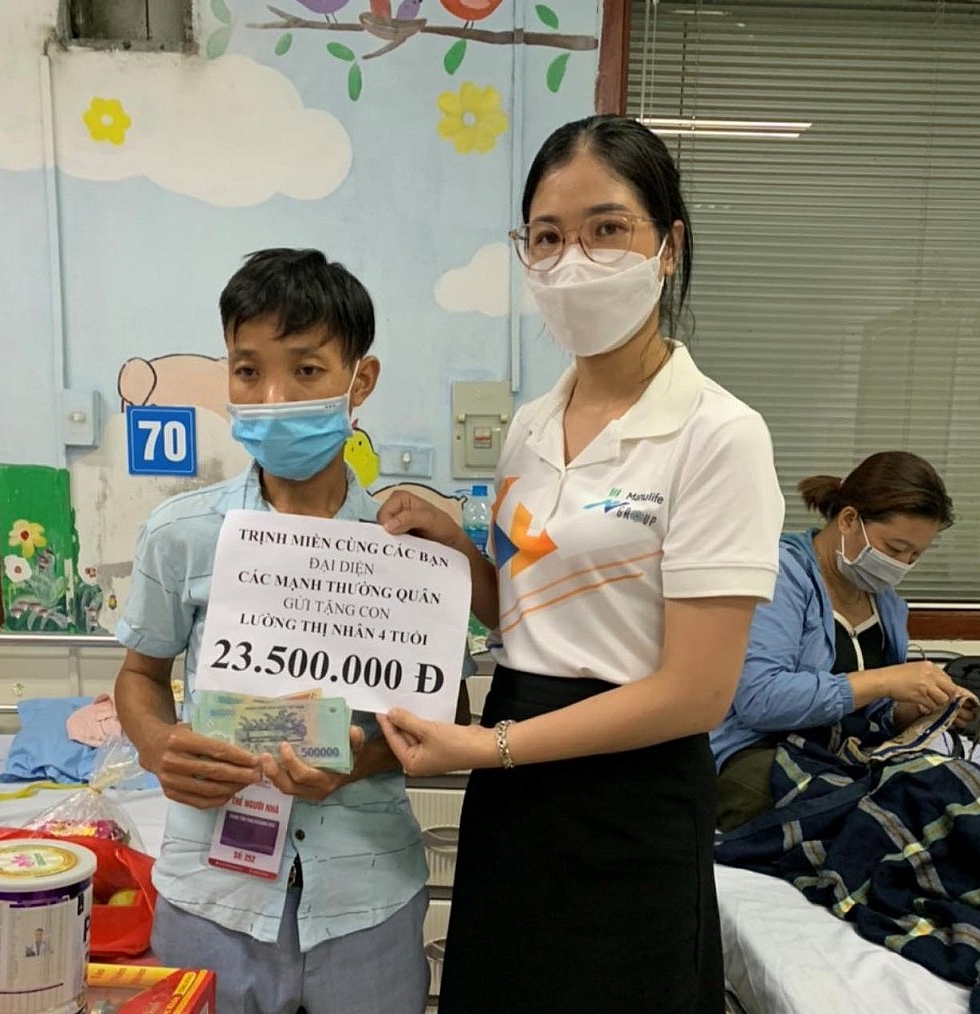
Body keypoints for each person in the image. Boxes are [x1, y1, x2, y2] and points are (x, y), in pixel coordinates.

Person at [376, 115, 785, 1014]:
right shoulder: (529, 425)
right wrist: (456, 550)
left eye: (607, 230)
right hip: (515, 782)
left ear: (669, 246)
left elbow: (696, 692)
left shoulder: (718, 435)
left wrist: (489, 747)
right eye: (548, 237)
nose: (573, 262)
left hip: (632, 793)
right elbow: (531, 620)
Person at [114, 249, 431, 1014]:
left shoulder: (407, 547)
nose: (274, 398)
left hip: (365, 898)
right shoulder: (182, 533)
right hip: (210, 895)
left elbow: (438, 707)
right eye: (248, 371)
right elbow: (139, 676)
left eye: (308, 370)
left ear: (361, 380)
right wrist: (156, 744)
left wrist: (357, 762)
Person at [711, 450, 973, 832]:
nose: (902, 564)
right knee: (882, 817)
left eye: (914, 555)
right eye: (895, 549)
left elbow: (873, 711)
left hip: (837, 751)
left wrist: (914, 708)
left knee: (944, 797)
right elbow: (760, 700)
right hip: (755, 756)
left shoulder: (885, 603)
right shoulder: (781, 575)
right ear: (849, 520)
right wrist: (885, 680)